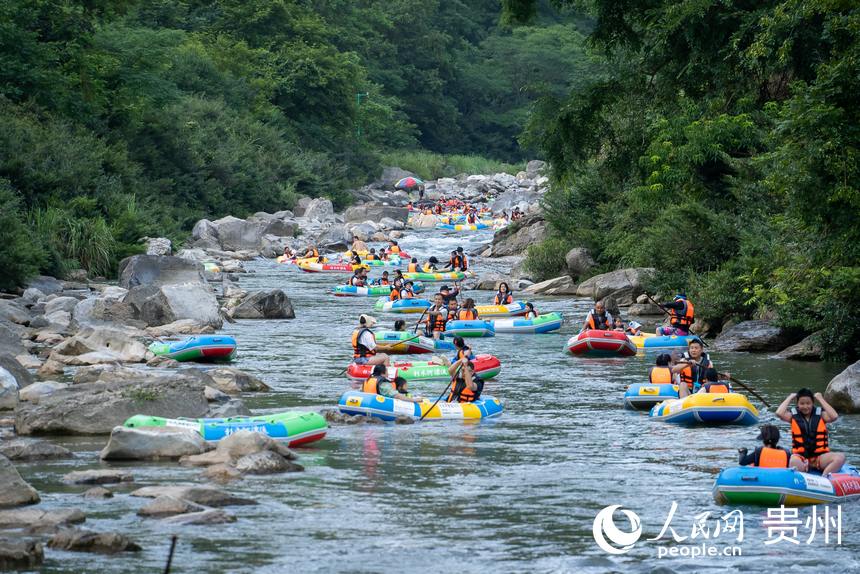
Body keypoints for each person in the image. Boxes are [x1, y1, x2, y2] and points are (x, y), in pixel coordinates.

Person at [776, 388, 846, 475]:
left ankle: (825, 478)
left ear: (812, 403)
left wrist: (820, 399)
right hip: (800, 457)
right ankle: (801, 479)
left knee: (840, 457)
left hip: (819, 458)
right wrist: (789, 397)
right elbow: (779, 413)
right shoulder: (793, 416)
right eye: (802, 403)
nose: (805, 406)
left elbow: (834, 416)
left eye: (808, 403)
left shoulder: (821, 414)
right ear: (797, 404)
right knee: (793, 462)